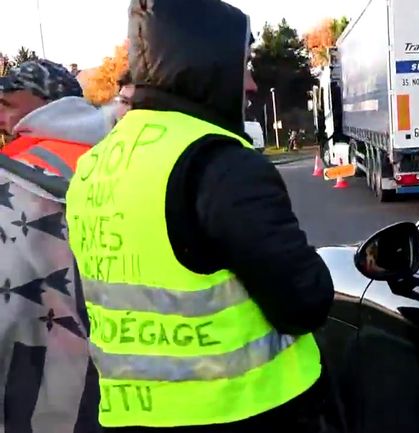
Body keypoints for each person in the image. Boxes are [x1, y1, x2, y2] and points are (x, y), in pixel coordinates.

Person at [64, 0, 335, 432]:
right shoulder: (220, 164)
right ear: (205, 65)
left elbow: (91, 300)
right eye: (243, 65)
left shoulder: (95, 165)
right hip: (249, 412)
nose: (249, 84)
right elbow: (305, 301)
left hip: (131, 416)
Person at [0, 59, 108, 432]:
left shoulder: (11, 171)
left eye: (7, 104)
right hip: (122, 367)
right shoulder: (120, 159)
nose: (0, 117)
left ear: (46, 104)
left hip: (37, 374)